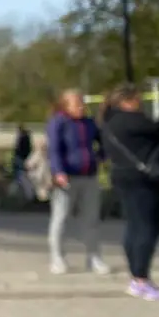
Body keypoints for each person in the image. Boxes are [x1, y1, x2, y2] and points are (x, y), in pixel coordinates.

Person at [100, 84, 159, 301]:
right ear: (127, 101)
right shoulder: (133, 120)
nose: (141, 103)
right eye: (137, 99)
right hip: (142, 180)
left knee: (133, 226)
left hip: (122, 177)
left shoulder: (109, 122)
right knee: (147, 228)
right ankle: (141, 279)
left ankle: (136, 276)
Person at [44, 89, 109, 276]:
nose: (81, 107)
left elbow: (103, 140)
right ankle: (57, 257)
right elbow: (54, 149)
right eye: (76, 103)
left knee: (92, 219)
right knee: (61, 218)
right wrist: (58, 171)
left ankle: (94, 256)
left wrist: (102, 156)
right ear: (65, 105)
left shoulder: (89, 123)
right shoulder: (58, 122)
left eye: (82, 103)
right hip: (67, 177)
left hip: (89, 175)